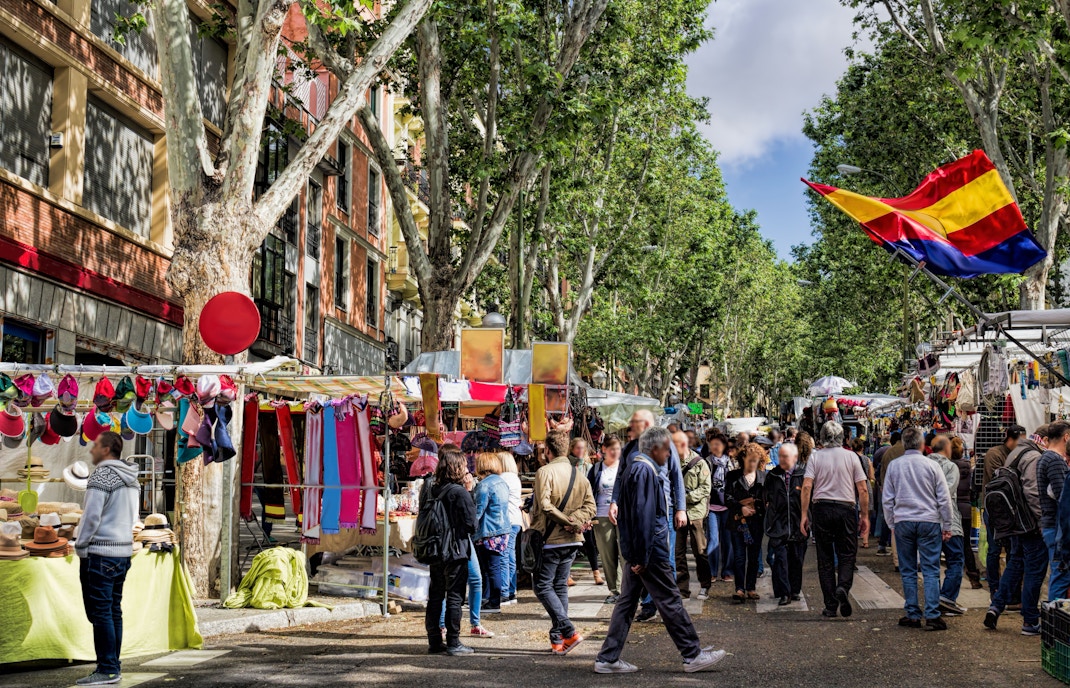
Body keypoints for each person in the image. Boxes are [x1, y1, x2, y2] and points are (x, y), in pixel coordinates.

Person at [593, 427, 726, 675]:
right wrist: (640, 557)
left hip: (642, 550)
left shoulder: (639, 467)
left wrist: (634, 555)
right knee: (669, 599)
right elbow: (642, 518)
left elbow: (632, 516)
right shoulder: (644, 470)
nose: (670, 455)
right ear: (655, 449)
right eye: (667, 449)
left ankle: (608, 657)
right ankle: (692, 653)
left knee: (628, 601)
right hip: (649, 550)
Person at [75, 431, 139, 687]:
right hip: (123, 550)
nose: (91, 449)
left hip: (101, 551)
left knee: (101, 612)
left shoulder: (101, 476)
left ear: (106, 449)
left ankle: (108, 668)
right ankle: (113, 665)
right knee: (113, 610)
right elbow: (133, 516)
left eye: (95, 445)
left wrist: (81, 545)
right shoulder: (132, 478)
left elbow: (91, 517)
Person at [610, 409, 687, 623]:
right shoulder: (629, 449)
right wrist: (614, 501)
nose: (630, 426)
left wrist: (681, 508)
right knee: (638, 559)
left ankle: (667, 606)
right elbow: (620, 478)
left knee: (663, 560)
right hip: (634, 513)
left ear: (645, 424)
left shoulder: (665, 445)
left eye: (634, 422)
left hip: (662, 513)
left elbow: (676, 476)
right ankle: (649, 603)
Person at [531, 429, 596, 655]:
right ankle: (558, 640)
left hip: (550, 539)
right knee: (559, 587)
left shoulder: (544, 472)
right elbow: (591, 507)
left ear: (547, 450)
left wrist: (568, 520)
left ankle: (568, 631)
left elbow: (545, 505)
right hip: (572, 539)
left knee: (541, 586)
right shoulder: (579, 474)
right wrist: (576, 522)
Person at [884, 427, 955, 631]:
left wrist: (891, 524)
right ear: (923, 445)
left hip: (903, 521)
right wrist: (947, 525)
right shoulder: (932, 466)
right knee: (931, 569)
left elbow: (888, 499)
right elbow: (944, 498)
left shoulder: (895, 466)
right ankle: (932, 614)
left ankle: (913, 613)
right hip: (929, 521)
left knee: (908, 570)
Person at [800, 421, 869, 619]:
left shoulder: (815, 457)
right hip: (846, 509)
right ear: (843, 438)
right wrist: (864, 516)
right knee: (847, 554)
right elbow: (863, 489)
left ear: (821, 437)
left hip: (821, 508)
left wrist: (804, 515)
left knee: (825, 558)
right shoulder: (852, 457)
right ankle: (843, 587)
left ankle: (830, 605)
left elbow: (806, 486)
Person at [424, 447, 478, 656]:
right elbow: (472, 523)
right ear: (458, 468)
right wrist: (470, 490)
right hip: (455, 548)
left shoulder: (431, 488)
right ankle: (454, 642)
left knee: (436, 594)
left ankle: (434, 640)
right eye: (464, 464)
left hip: (435, 548)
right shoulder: (459, 492)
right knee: (455, 595)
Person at [982, 425, 1024, 600]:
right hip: (995, 509)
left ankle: (1012, 592)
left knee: (1013, 550)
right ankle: (995, 589)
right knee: (994, 549)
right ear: (1011, 439)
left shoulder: (1019, 454)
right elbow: (999, 480)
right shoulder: (995, 453)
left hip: (1013, 510)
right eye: (1020, 439)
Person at [927, 436, 966, 617]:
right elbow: (947, 493)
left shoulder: (923, 464)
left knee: (932, 563)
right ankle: (947, 598)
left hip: (927, 521)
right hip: (949, 521)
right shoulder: (951, 467)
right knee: (955, 560)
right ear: (947, 448)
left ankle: (934, 601)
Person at [765, 442, 806, 605]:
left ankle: (795, 590)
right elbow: (766, 498)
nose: (781, 459)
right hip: (778, 526)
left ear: (794, 458)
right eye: (780, 456)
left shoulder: (803, 475)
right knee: (780, 560)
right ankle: (784, 593)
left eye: (785, 456)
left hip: (797, 525)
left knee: (796, 559)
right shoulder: (773, 476)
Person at [673, 430, 712, 600]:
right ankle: (682, 589)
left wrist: (685, 498)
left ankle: (705, 585)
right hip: (677, 513)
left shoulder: (699, 463)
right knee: (678, 553)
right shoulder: (671, 463)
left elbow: (705, 488)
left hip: (695, 512)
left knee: (700, 551)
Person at [726, 443, 766, 603]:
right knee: (739, 556)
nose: (752, 464)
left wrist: (758, 506)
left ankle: (751, 587)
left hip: (757, 521)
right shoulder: (732, 476)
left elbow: (767, 498)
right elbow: (727, 497)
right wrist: (741, 507)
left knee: (754, 556)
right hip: (738, 521)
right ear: (743, 458)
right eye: (750, 460)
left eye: (756, 461)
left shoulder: (763, 477)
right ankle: (739, 589)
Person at [473, 453, 511, 614]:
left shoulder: (484, 485)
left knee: (489, 568)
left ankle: (493, 601)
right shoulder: (502, 482)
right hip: (502, 528)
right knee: (495, 565)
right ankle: (491, 599)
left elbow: (478, 510)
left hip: (488, 530)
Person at [589, 437, 624, 604]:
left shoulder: (624, 468)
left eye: (618, 449)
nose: (615, 452)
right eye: (612, 449)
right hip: (601, 515)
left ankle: (629, 589)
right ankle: (615, 590)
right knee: (608, 555)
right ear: (604, 449)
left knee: (625, 554)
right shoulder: (596, 469)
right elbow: (589, 492)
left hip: (623, 516)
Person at [1038, 421, 1070, 603]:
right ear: (1066, 437)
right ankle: (1056, 624)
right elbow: (1062, 495)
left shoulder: (1046, 458)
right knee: (1061, 574)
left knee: (1059, 573)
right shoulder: (1054, 460)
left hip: (1052, 525)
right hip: (1056, 526)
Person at [949, 437, 982, 588]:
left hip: (952, 508)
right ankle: (974, 577)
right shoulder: (968, 467)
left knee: (950, 542)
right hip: (966, 508)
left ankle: (953, 573)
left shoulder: (948, 467)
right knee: (967, 544)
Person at [570, 438, 602, 586]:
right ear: (572, 449)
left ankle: (596, 573)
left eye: (583, 448)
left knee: (589, 542)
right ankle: (567, 575)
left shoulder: (590, 467)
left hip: (586, 507)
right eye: (577, 448)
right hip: (570, 507)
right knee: (571, 542)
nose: (580, 451)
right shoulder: (567, 465)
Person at [704, 432, 735, 583]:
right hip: (711, 507)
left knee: (728, 540)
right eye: (713, 444)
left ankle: (727, 571)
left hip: (728, 507)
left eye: (718, 444)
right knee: (713, 540)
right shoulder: (706, 462)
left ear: (724, 446)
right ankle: (711, 571)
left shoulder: (731, 463)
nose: (715, 446)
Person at [498, 452, 524, 605]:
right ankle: (512, 590)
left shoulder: (503, 478)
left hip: (506, 520)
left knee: (504, 555)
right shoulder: (515, 478)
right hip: (516, 519)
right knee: (511, 556)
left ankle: (504, 591)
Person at [873, 431, 900, 556]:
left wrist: (881, 485)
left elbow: (879, 471)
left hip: (888, 489)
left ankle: (882, 544)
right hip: (903, 491)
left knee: (886, 516)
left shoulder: (884, 453)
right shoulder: (906, 450)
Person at [851, 437, 875, 548]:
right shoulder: (867, 460)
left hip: (853, 487)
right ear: (862, 448)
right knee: (866, 515)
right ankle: (865, 540)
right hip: (866, 485)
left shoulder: (850, 459)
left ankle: (854, 538)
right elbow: (871, 476)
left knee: (855, 514)